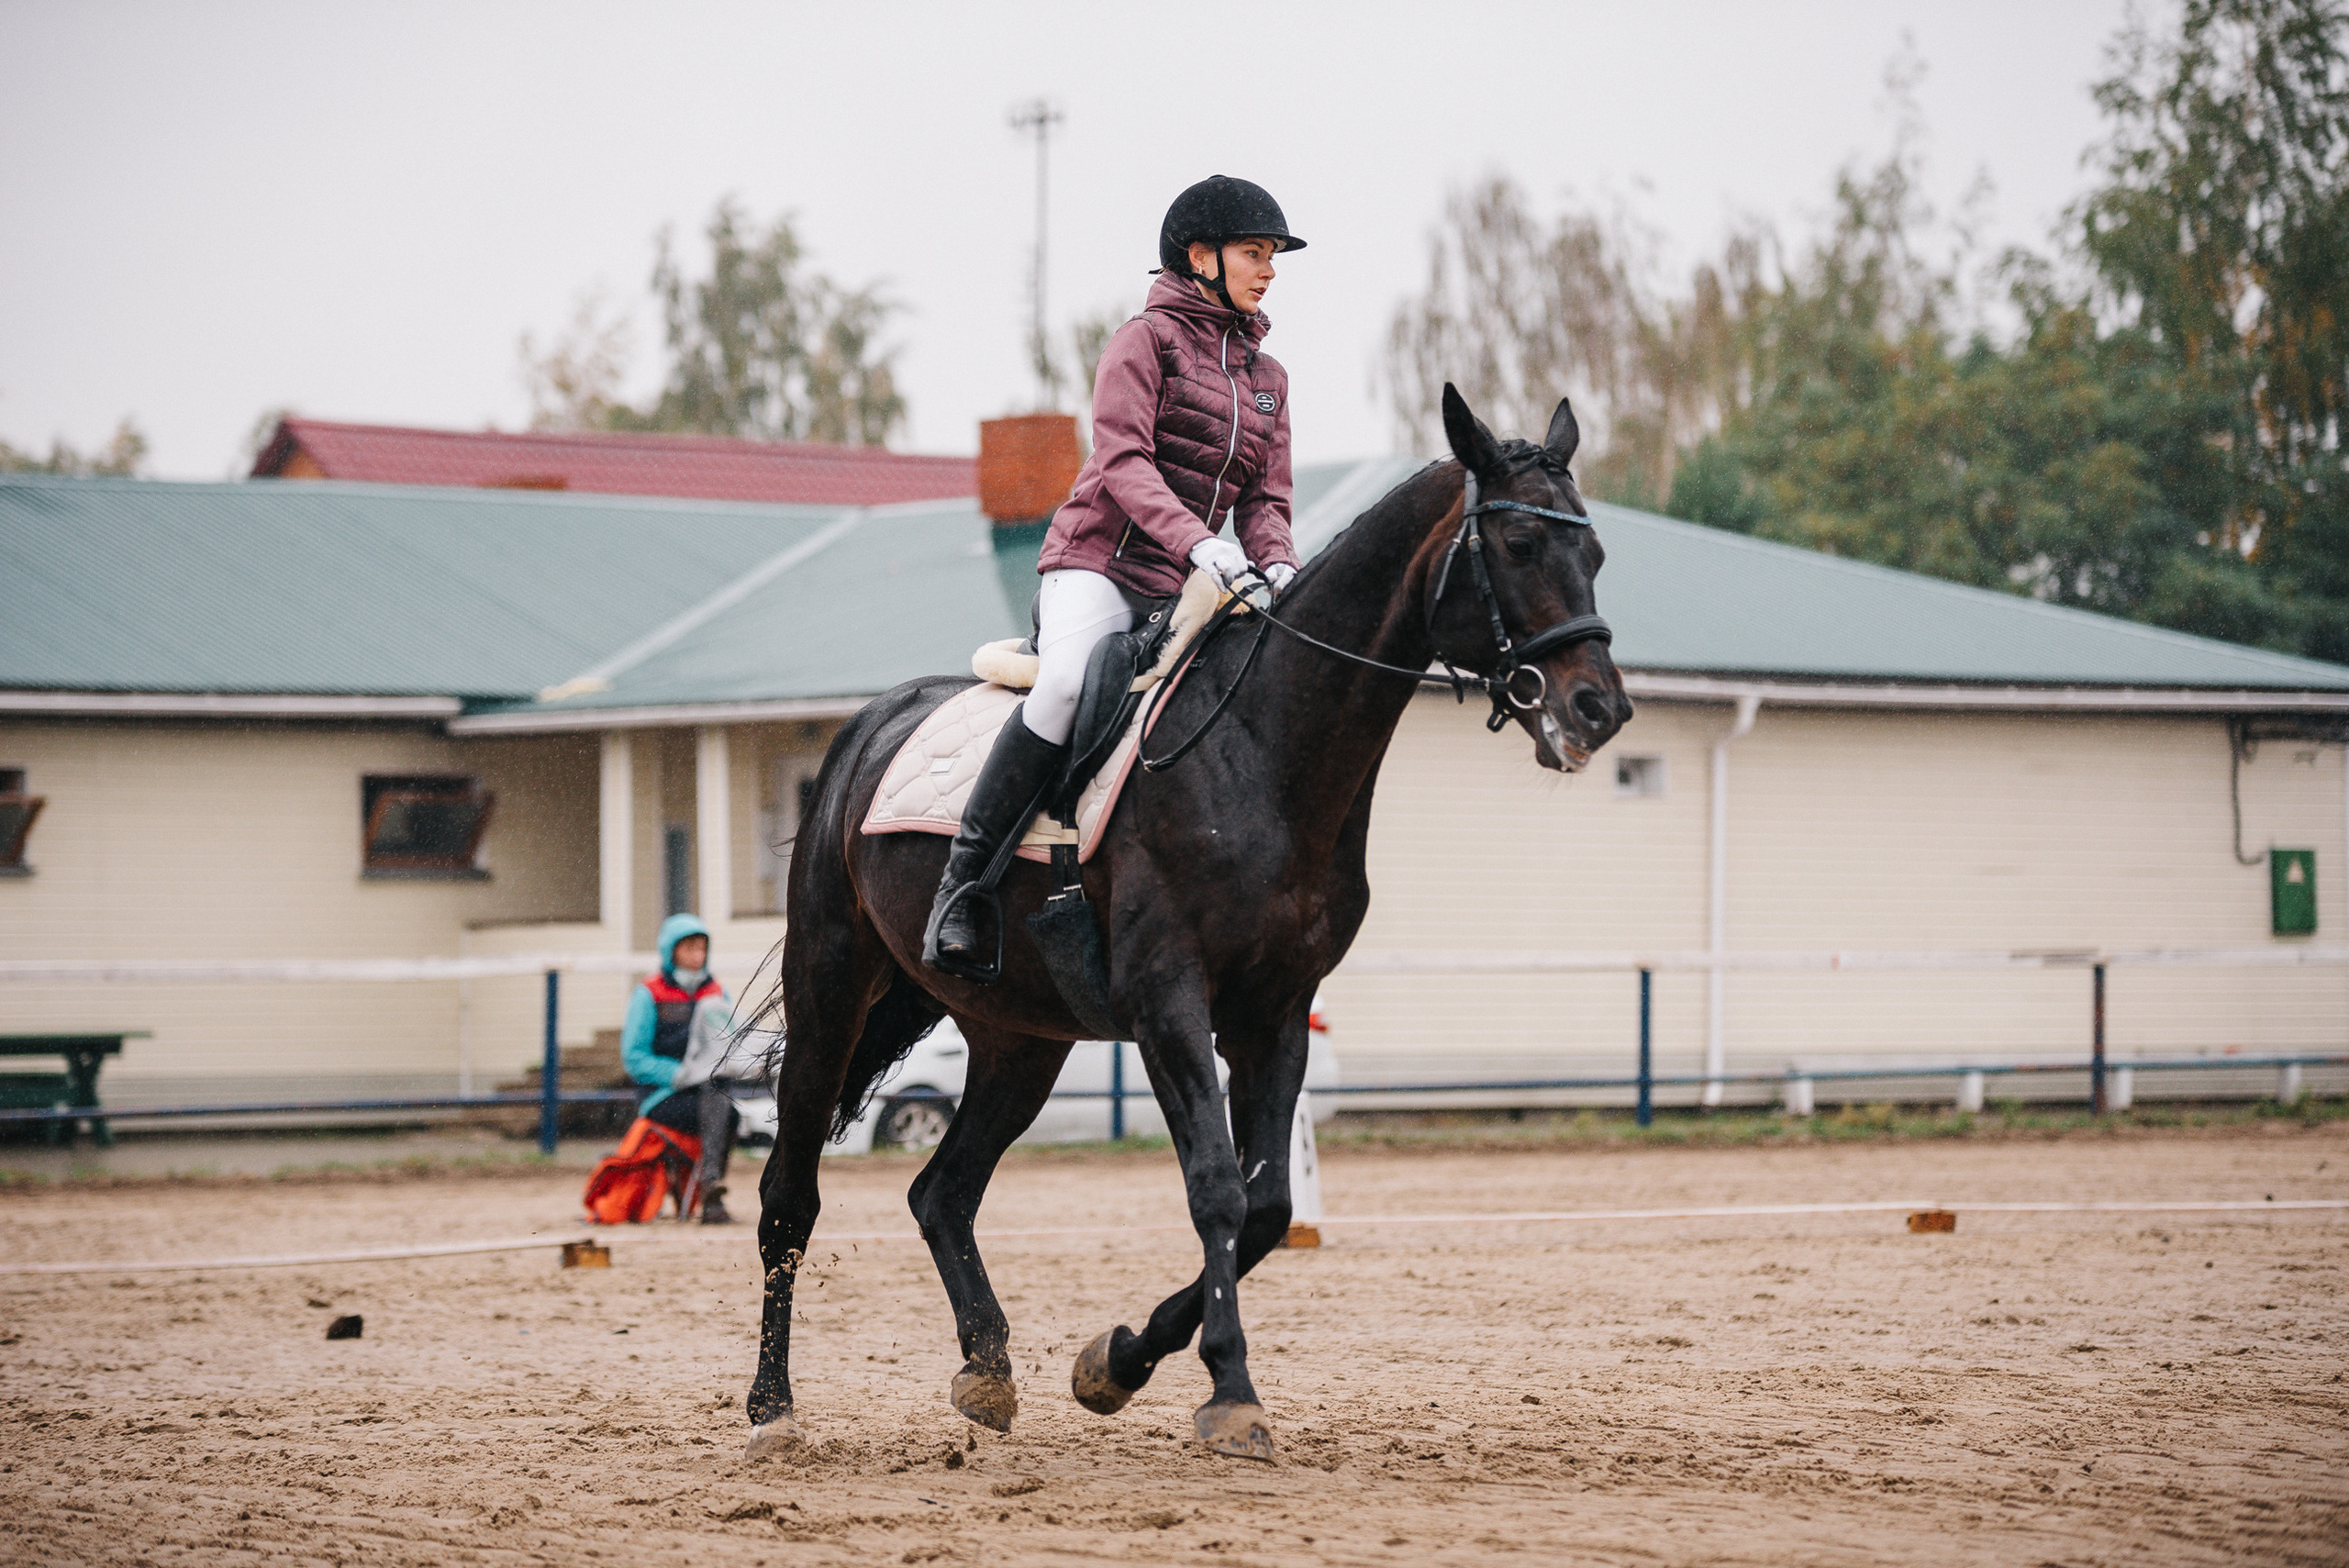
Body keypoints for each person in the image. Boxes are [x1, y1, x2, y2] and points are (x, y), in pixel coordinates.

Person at [924, 174, 1308, 976]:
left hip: (1188, 582)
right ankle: (963, 885)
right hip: (1100, 562)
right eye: (1253, 253)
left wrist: (1277, 562)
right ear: (1199, 256)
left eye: (1272, 256)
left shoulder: (1269, 379)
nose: (1267, 270)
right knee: (1064, 685)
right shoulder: (1144, 343)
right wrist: (1200, 542)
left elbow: (1267, 500)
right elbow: (1124, 462)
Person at [621, 913, 740, 1222]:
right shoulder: (648, 993)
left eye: (701, 948)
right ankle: (711, 1189)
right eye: (689, 948)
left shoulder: (717, 992)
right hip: (662, 1096)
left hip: (707, 1090)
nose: (697, 955)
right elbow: (634, 1057)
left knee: (724, 1103)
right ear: (671, 951)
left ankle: (710, 1185)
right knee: (722, 1106)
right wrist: (679, 1074)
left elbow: (726, 1044)